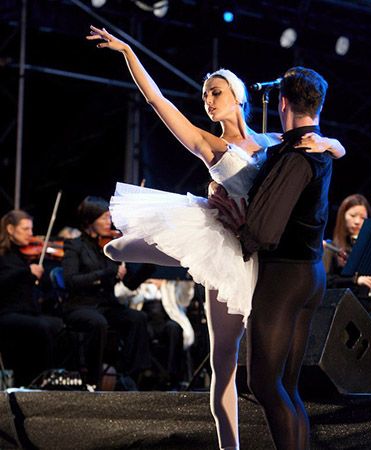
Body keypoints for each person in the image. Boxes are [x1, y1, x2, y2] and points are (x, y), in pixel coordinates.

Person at [87, 25, 345, 450]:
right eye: (206, 93)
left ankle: (121, 251)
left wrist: (335, 144)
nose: (208, 99)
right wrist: (129, 52)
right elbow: (158, 101)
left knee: (259, 370)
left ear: (240, 96)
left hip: (260, 254)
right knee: (221, 361)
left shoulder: (271, 142)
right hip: (221, 245)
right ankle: (231, 446)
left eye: (216, 91)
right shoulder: (208, 144)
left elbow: (316, 143)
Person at [210, 66, 333, 450]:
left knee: (263, 383)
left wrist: (236, 224)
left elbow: (265, 229)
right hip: (311, 273)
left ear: (281, 103)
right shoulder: (315, 146)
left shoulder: (296, 155)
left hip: (284, 277)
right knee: (288, 388)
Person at [62, 196, 153, 388]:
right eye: (104, 218)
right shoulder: (74, 246)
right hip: (81, 305)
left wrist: (149, 263)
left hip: (106, 305)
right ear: (90, 220)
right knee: (98, 322)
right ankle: (93, 378)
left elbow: (129, 284)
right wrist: (106, 272)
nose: (108, 222)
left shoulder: (110, 247)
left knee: (138, 318)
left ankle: (128, 375)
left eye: (109, 217)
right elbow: (71, 281)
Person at [0, 210, 64, 387]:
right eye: (25, 229)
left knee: (60, 325)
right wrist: (26, 272)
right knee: (42, 327)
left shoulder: (26, 255)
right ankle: (41, 379)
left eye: (31, 229)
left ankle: (57, 379)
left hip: (29, 312)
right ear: (10, 229)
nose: (31, 234)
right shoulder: (3, 255)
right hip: (7, 313)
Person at [323, 194, 371, 334]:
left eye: (363, 218)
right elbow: (327, 280)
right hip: (345, 305)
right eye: (353, 216)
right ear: (343, 217)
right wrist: (355, 280)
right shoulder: (332, 247)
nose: (357, 222)